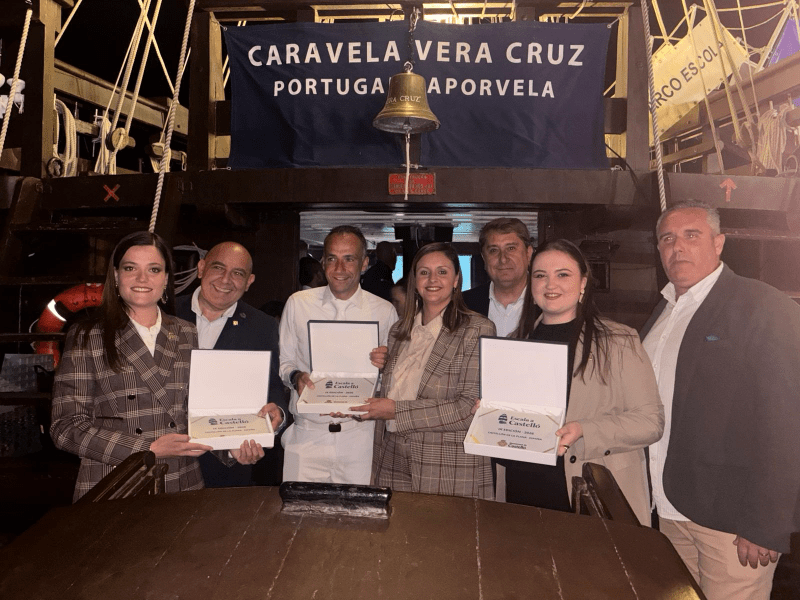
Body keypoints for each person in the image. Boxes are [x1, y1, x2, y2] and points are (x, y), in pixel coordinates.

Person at [641, 200, 800, 600]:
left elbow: (786, 419)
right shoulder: (662, 312)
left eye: (691, 235)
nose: (678, 246)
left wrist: (766, 523)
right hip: (668, 509)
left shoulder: (763, 306)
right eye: (667, 239)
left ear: (719, 243)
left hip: (731, 522)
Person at [51, 232, 265, 502]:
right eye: (131, 268)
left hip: (181, 480)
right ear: (116, 276)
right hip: (116, 481)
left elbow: (194, 412)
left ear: (165, 279)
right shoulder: (88, 336)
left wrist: (231, 446)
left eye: (153, 270)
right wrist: (147, 448)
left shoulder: (186, 332)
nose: (142, 279)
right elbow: (65, 428)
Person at [493, 239, 663, 525]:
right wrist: (489, 414)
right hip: (522, 491)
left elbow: (650, 422)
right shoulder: (514, 343)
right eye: (540, 275)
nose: (551, 284)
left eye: (563, 274)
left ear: (583, 282)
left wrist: (584, 430)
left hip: (588, 495)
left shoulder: (619, 341)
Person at [356, 242, 496, 500]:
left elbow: (468, 408)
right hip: (391, 457)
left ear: (456, 279)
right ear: (414, 281)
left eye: (442, 272)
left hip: (447, 464)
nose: (432, 280)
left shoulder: (477, 329)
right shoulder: (398, 331)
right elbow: (393, 391)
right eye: (424, 272)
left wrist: (395, 410)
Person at [280, 226, 398, 485]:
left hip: (359, 437)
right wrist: (296, 376)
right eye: (332, 258)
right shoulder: (298, 304)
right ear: (323, 262)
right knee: (300, 509)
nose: (339, 268)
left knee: (357, 510)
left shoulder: (384, 311)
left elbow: (391, 376)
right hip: (307, 435)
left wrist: (387, 364)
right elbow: (285, 363)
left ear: (364, 263)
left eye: (349, 259)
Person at [175, 241, 287, 487]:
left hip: (228, 462)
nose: (226, 280)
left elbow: (272, 385)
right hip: (169, 458)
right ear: (201, 268)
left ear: (249, 281)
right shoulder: (165, 313)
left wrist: (277, 411)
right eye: (218, 267)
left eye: (238, 273)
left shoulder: (263, 326)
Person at [463, 218, 533, 337]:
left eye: (511, 248)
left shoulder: (548, 301)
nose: (503, 259)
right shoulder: (463, 304)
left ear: (528, 253)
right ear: (484, 258)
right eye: (494, 250)